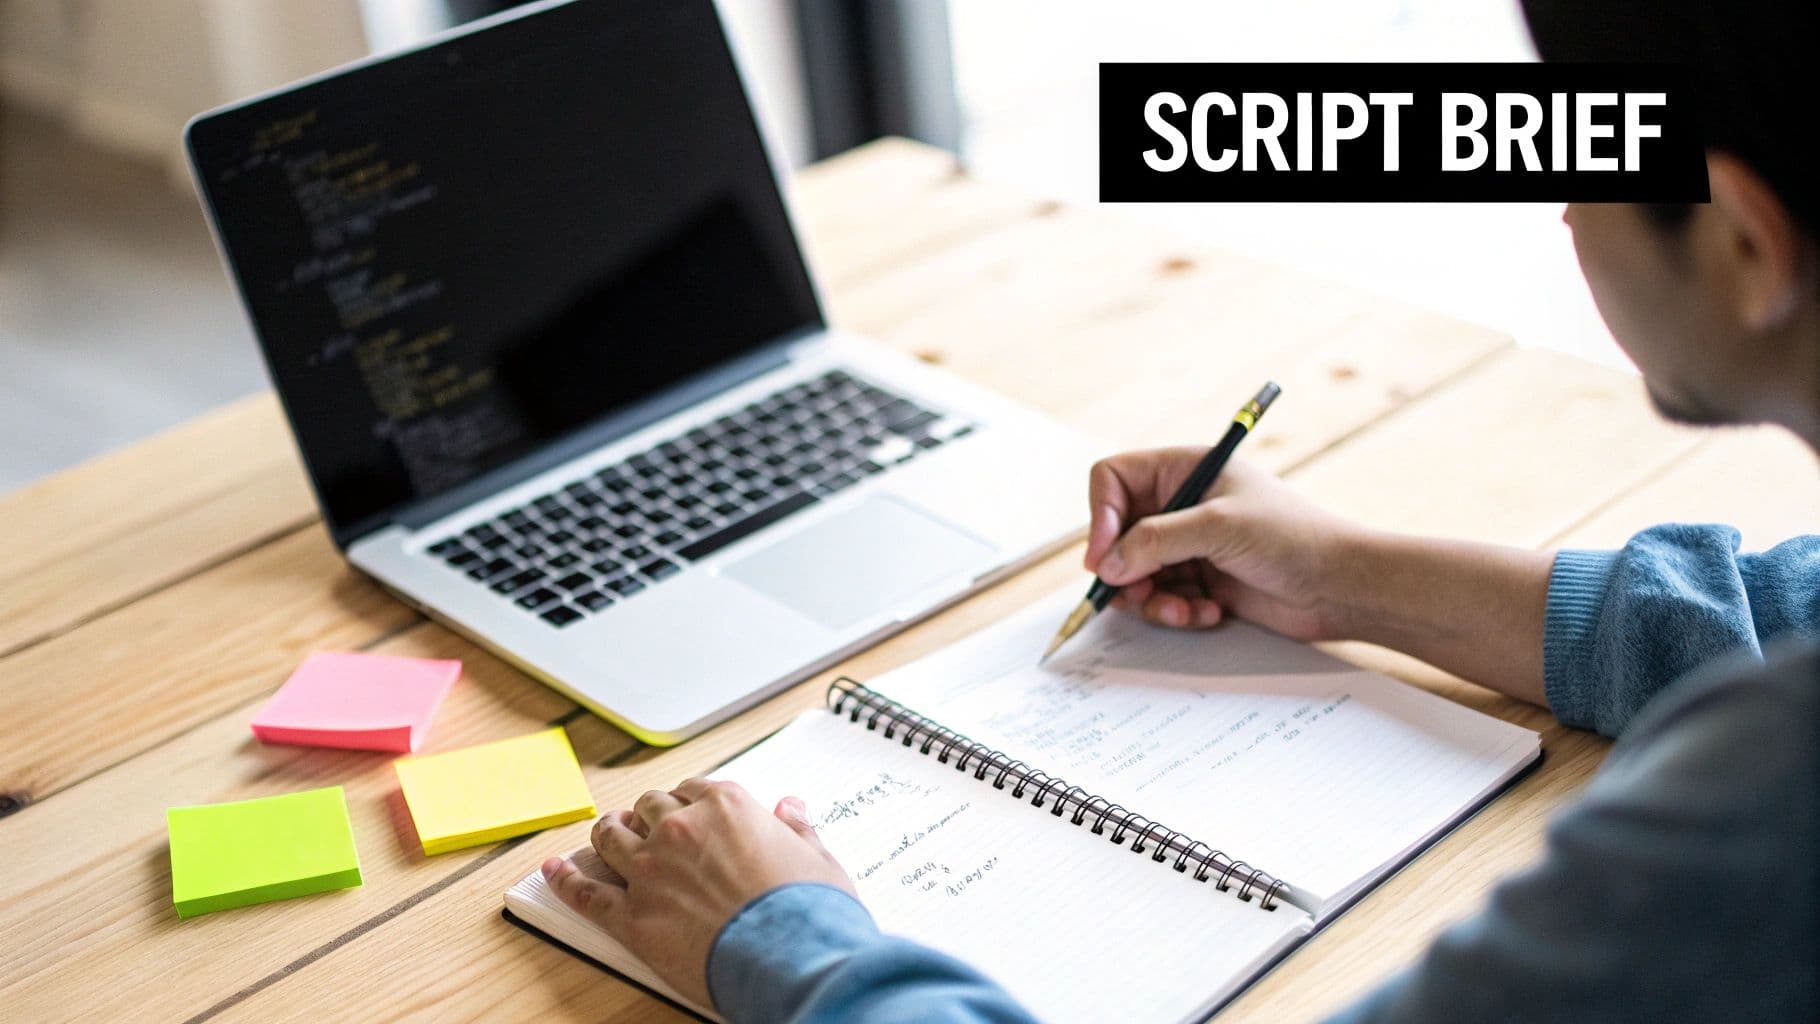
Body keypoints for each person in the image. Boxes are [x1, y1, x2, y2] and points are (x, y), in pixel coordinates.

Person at [538, 1, 1819, 1019]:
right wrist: (1345, 573)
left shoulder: (1763, 811)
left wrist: (784, 941)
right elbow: (1783, 612)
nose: (1558, 206)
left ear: (1745, 245)